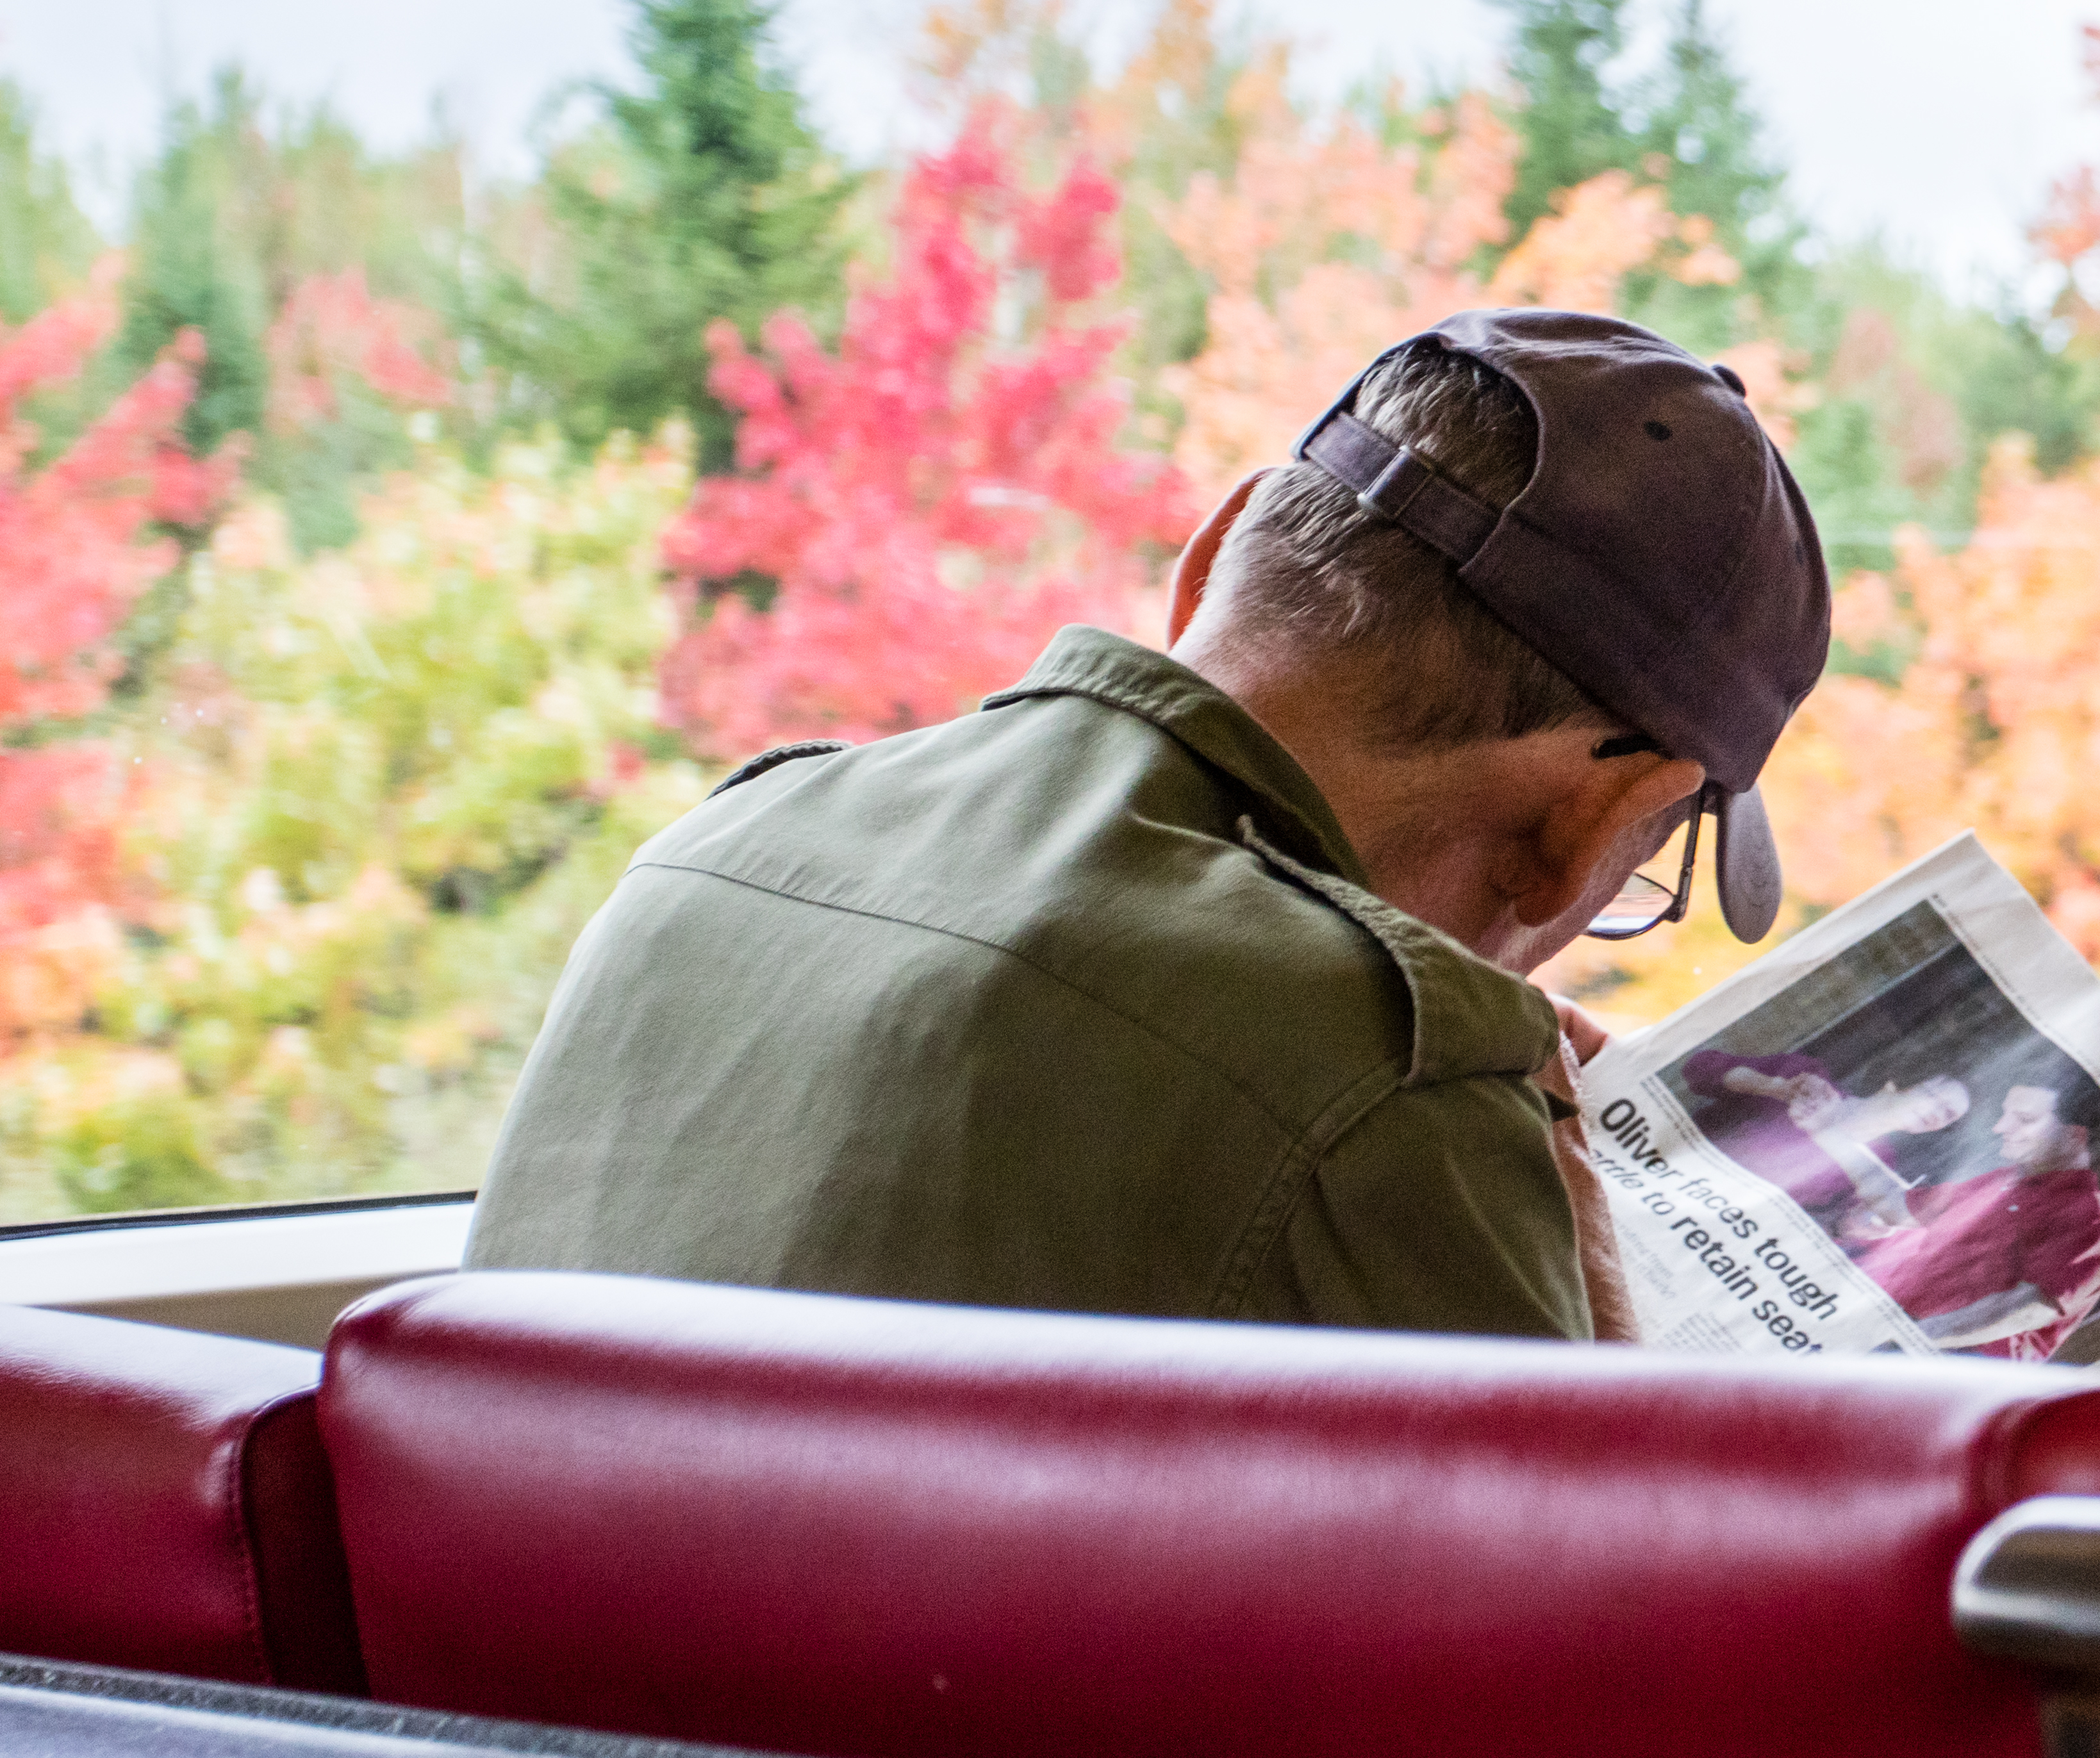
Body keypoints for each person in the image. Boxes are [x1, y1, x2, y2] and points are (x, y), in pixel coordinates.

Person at [464, 308, 1832, 1338]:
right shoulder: (1391, 1085)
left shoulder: (709, 854)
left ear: (1213, 553)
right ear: (1597, 824)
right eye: (1638, 878)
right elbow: (1587, 1676)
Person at [1845, 1078, 2100, 1363]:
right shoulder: (2007, 1181)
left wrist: (1905, 1337)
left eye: (2024, 1119)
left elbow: (2023, 1312)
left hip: (1946, 1366)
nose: (2000, 1128)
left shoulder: (2090, 1219)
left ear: (2075, 1137)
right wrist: (1829, 1133)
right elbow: (1896, 1207)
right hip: (1898, 1337)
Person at [1676, 1047, 1967, 1236]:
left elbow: (1822, 1230)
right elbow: (1699, 1068)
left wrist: (1849, 1229)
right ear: (1901, 1081)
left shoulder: (1881, 1172)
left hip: (1715, 1230)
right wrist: (1777, 1087)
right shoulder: (1807, 1077)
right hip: (1672, 1169)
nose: (1937, 1113)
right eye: (1934, 1094)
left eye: (1948, 1115)